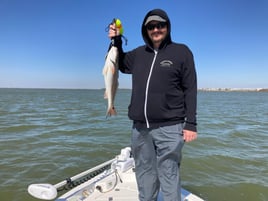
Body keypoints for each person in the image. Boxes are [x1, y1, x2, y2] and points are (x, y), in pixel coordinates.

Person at [108, 8, 197, 201]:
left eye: (160, 25)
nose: (156, 29)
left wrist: (191, 123)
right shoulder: (139, 54)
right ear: (145, 29)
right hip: (140, 129)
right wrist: (116, 39)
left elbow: (190, 89)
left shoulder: (182, 52)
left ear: (167, 27)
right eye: (151, 26)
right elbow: (120, 64)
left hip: (170, 127)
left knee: (169, 174)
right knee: (144, 174)